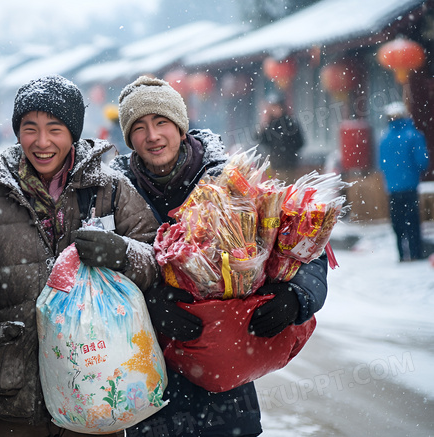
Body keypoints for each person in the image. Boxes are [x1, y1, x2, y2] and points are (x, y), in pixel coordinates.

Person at [110, 76, 329, 437]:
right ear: (129, 138)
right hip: (148, 385)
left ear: (181, 128)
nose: (152, 136)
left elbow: (303, 246)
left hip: (228, 389)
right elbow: (99, 279)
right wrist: (148, 304)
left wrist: (297, 296)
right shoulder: (114, 195)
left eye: (161, 122)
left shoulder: (232, 181)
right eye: (139, 127)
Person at [0, 75, 161, 437]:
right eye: (30, 128)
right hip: (13, 394)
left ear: (74, 133)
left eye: (55, 128)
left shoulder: (110, 189)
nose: (43, 141)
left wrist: (123, 254)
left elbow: (158, 261)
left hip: (98, 386)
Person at [378, 101, 429, 262]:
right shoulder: (414, 136)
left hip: (393, 188)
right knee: (412, 221)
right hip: (410, 185)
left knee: (397, 222)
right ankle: (415, 253)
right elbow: (422, 162)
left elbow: (381, 164)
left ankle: (401, 253)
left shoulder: (384, 139)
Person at [258, 93, 305, 183]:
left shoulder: (290, 123)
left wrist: (289, 151)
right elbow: (261, 140)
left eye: (276, 107)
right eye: (272, 108)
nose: (275, 110)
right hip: (274, 165)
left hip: (289, 166)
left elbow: (300, 142)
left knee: (287, 189)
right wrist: (263, 123)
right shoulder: (270, 124)